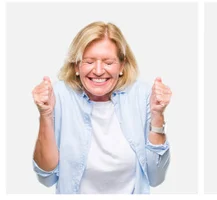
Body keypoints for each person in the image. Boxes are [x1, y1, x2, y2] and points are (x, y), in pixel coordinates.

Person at [32, 21, 172, 194]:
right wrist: (45, 115)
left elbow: (156, 177)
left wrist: (158, 116)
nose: (98, 71)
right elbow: (46, 177)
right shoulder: (60, 95)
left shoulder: (142, 95)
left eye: (108, 62)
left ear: (121, 65)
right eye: (89, 61)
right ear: (76, 66)